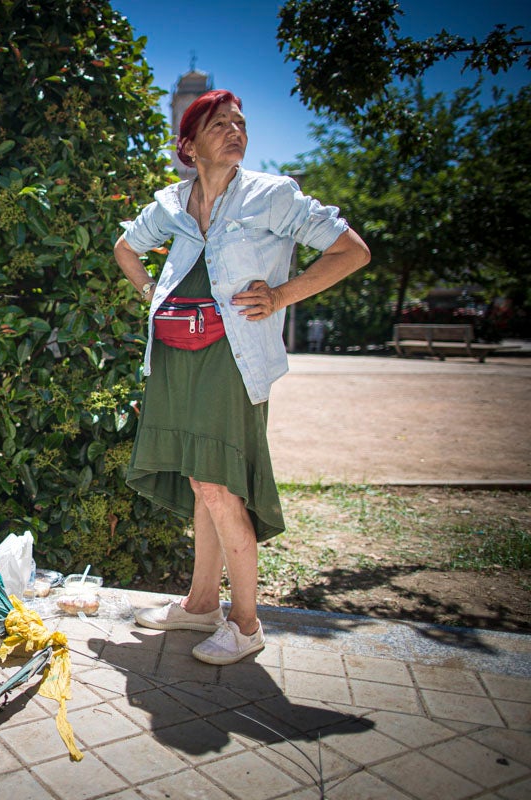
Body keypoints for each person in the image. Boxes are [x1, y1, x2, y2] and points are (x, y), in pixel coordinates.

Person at [113, 89, 370, 665]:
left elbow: (351, 251)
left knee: (218, 484)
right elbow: (125, 249)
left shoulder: (271, 195)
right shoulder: (172, 203)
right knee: (203, 476)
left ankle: (247, 623)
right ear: (188, 145)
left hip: (233, 357)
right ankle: (202, 603)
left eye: (240, 123)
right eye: (219, 123)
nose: (235, 131)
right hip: (178, 354)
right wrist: (153, 294)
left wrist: (281, 295)